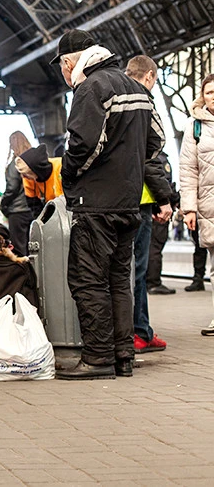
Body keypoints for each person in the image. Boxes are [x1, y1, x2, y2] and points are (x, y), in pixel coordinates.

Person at [52, 30, 161, 380]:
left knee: (88, 280)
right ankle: (122, 356)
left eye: (62, 67)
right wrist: (126, 166)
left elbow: (83, 145)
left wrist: (69, 176)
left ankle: (98, 358)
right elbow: (155, 141)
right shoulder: (137, 89)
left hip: (96, 202)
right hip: (129, 203)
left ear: (71, 62)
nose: (64, 75)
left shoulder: (92, 88)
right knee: (118, 279)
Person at [125, 55, 173, 354]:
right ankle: (138, 332)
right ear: (150, 76)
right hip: (140, 198)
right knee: (137, 270)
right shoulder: (143, 101)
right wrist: (164, 198)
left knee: (128, 268)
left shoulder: (114, 97)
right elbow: (150, 157)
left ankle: (142, 327)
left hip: (119, 197)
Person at [179, 73, 214, 335]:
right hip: (209, 205)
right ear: (204, 96)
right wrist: (189, 208)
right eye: (210, 92)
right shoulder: (195, 126)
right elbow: (188, 169)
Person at [146, 151, 178, 295]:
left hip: (151, 208)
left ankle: (150, 281)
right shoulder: (159, 158)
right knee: (155, 247)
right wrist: (171, 200)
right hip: (159, 210)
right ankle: (154, 282)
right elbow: (164, 182)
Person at [0, 131, 33, 257]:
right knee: (33, 247)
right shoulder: (31, 163)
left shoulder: (15, 164)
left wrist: (3, 205)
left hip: (17, 212)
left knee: (19, 250)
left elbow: (12, 188)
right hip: (32, 210)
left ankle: (22, 276)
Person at [15, 143, 64, 216]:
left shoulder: (60, 166)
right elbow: (34, 205)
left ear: (36, 170)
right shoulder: (28, 179)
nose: (23, 177)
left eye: (26, 174)